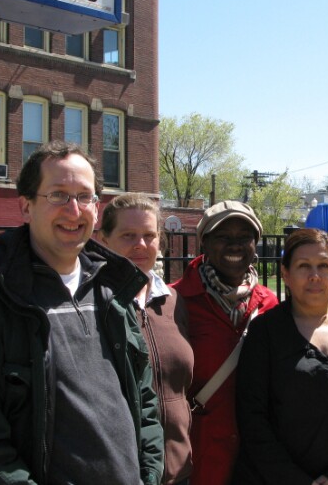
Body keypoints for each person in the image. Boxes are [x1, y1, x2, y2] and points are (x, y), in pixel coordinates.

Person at [0, 141, 164, 485]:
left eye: (84, 197)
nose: (73, 209)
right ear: (25, 206)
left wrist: (150, 476)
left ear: (97, 209)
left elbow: (144, 402)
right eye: (57, 195)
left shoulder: (111, 293)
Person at [234, 228, 328, 485]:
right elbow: (251, 416)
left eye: (324, 265)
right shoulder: (265, 332)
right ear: (286, 274)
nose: (314, 276)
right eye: (304, 266)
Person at [170, 200, 279, 485]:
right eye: (223, 237)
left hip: (257, 459)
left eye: (244, 238)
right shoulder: (173, 302)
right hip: (198, 458)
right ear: (204, 243)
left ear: (255, 245)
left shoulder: (270, 303)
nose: (234, 246)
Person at [98, 192, 194, 485]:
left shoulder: (174, 302)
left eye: (149, 235)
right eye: (128, 235)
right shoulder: (94, 306)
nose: (140, 245)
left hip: (179, 472)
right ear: (103, 240)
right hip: (121, 473)